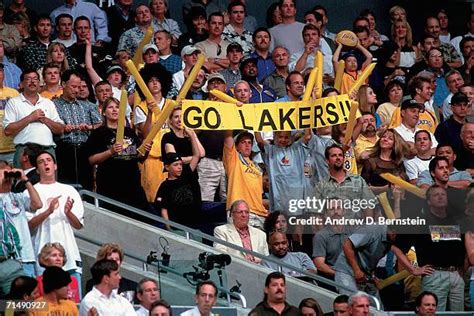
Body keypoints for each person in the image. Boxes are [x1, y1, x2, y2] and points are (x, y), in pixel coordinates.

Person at [27, 151, 84, 290]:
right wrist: (48, 211)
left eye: (49, 160)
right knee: (45, 302)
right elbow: (28, 225)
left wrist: (68, 212)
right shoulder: (30, 191)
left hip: (68, 256)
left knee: (72, 303)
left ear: (55, 166)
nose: (46, 163)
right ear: (37, 170)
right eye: (41, 162)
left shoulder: (69, 190)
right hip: (42, 257)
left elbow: (78, 225)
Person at [85, 97, 151, 213]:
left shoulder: (129, 132)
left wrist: (146, 150)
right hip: (110, 187)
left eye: (117, 107)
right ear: (104, 112)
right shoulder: (98, 133)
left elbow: (140, 158)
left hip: (133, 186)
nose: (115, 110)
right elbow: (91, 160)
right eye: (110, 107)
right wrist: (110, 152)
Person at [53, 70, 102, 190]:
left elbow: (101, 124)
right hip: (64, 149)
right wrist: (63, 128)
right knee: (66, 186)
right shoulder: (53, 104)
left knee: (86, 186)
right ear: (63, 84)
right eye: (73, 86)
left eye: (79, 87)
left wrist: (90, 127)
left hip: (84, 149)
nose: (76, 90)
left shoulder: (88, 105)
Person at [155, 129, 204, 231]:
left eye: (181, 165)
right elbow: (164, 209)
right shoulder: (165, 186)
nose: (180, 167)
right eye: (176, 165)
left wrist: (192, 135)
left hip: (193, 227)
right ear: (167, 167)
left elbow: (197, 156)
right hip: (176, 228)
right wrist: (169, 229)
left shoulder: (186, 175)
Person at [0, 160, 42, 277]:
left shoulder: (18, 196)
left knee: (28, 294)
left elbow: (37, 204)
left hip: (26, 257)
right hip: (5, 260)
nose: (8, 178)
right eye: (5, 174)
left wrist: (25, 180)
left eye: (10, 175)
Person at [313, 144, 377, 219]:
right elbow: (316, 214)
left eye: (340, 155)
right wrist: (323, 231)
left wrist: (366, 228)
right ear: (327, 161)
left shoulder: (358, 180)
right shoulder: (321, 186)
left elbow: (369, 206)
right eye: (334, 155)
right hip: (331, 228)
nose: (338, 158)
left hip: (357, 228)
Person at [223, 129, 267, 226]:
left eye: (249, 142)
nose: (247, 145)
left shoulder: (257, 167)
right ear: (237, 147)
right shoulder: (233, 160)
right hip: (240, 212)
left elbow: (257, 197)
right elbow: (228, 136)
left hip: (260, 215)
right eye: (243, 142)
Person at [312, 199, 351, 283]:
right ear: (326, 213)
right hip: (332, 280)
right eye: (332, 209)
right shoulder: (320, 236)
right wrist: (341, 275)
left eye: (338, 208)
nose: (336, 212)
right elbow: (319, 265)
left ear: (344, 211)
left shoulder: (353, 232)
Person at [361, 129, 408, 194]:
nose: (385, 139)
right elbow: (363, 187)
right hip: (375, 199)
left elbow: (404, 185)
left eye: (390, 138)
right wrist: (384, 189)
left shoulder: (399, 163)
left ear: (395, 143)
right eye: (383, 137)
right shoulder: (370, 162)